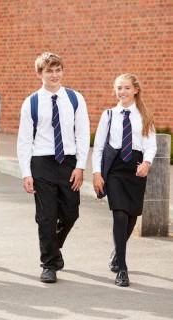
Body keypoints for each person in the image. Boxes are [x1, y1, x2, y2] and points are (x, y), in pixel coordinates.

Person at [17, 52, 90, 283]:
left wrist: (80, 166)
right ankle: (49, 263)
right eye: (49, 71)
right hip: (42, 163)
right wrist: (26, 173)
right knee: (46, 217)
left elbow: (83, 134)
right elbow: (25, 140)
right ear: (40, 74)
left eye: (58, 70)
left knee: (70, 213)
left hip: (68, 163)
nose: (54, 75)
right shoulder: (32, 102)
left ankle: (52, 246)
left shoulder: (75, 99)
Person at [92, 73, 156, 287]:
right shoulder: (109, 115)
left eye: (127, 88)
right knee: (119, 214)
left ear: (135, 90)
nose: (122, 92)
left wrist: (146, 163)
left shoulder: (144, 115)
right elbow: (99, 146)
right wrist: (97, 173)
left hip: (136, 168)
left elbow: (151, 144)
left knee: (131, 218)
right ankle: (122, 268)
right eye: (119, 88)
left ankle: (116, 253)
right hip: (116, 170)